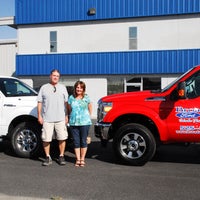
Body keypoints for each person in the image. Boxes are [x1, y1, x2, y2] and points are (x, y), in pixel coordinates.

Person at [37, 69, 68, 166]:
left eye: (57, 76)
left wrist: (67, 115)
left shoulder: (63, 88)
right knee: (46, 139)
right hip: (47, 119)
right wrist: (39, 116)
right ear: (50, 76)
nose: (55, 77)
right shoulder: (44, 88)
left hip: (61, 118)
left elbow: (66, 103)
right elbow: (39, 102)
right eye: (54, 75)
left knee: (62, 138)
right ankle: (47, 157)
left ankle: (61, 156)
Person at [67, 81, 92, 167]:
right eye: (77, 87)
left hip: (85, 123)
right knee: (76, 142)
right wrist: (70, 118)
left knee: (83, 141)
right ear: (75, 88)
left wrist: (87, 117)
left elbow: (90, 108)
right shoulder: (71, 98)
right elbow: (69, 110)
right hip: (74, 123)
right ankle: (77, 159)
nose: (79, 89)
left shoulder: (86, 97)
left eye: (81, 88)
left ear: (83, 89)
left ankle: (82, 159)